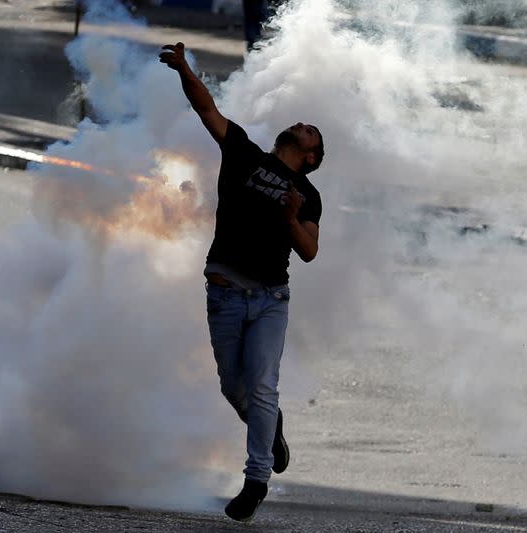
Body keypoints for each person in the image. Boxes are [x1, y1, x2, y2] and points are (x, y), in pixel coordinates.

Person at [160, 42, 324, 522]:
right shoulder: (244, 153)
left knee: (262, 385)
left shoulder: (307, 194)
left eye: (308, 130)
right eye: (300, 124)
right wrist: (184, 69)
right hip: (225, 293)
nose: (299, 124)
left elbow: (309, 250)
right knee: (235, 388)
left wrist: (293, 218)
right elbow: (205, 107)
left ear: (311, 156)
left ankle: (256, 481)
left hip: (272, 298)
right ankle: (270, 430)